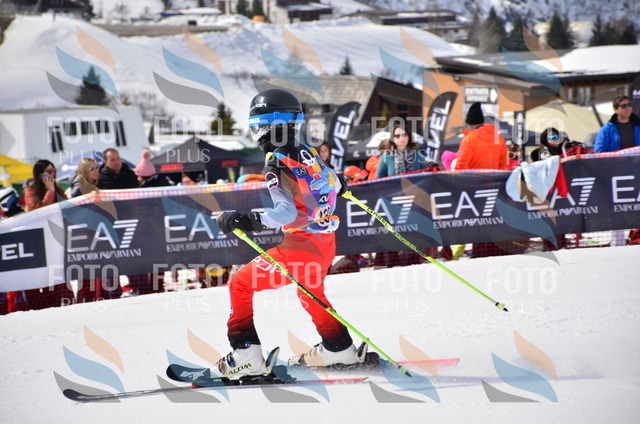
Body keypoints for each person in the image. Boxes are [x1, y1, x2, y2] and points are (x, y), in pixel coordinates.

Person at [213, 88, 365, 379]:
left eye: (256, 127)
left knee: (240, 284)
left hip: (300, 247)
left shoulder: (277, 162)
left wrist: (246, 219)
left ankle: (246, 356)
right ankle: (339, 348)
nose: (256, 134)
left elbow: (286, 213)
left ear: (267, 126)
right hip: (325, 244)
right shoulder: (308, 152)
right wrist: (339, 184)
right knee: (310, 292)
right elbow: (334, 182)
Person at [455, 103, 510, 258]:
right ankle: (495, 250)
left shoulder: (469, 140)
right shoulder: (498, 137)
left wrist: (460, 184)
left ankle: (479, 252)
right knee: (493, 219)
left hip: (474, 186)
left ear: (468, 123)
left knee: (478, 220)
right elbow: (503, 163)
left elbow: (461, 166)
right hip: (495, 185)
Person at [22, 160, 73, 309]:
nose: (52, 174)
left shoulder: (58, 189)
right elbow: (36, 211)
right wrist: (49, 192)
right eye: (49, 171)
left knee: (60, 272)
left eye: (53, 170)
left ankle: (65, 301)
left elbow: (68, 206)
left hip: (57, 237)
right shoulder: (31, 190)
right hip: (39, 240)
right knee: (45, 274)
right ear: (40, 174)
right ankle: (45, 305)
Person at [594, 95, 640, 246]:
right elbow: (599, 152)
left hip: (637, 172)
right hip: (616, 175)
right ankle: (618, 243)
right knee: (618, 209)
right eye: (623, 106)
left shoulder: (638, 126)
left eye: (629, 105)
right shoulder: (606, 130)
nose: (628, 108)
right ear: (615, 109)